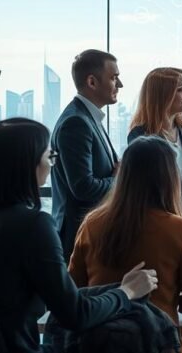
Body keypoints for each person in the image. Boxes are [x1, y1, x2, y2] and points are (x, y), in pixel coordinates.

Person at [0, 118, 157, 353]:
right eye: (49, 157)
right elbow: (75, 316)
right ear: (28, 164)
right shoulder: (33, 225)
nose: (52, 164)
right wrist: (127, 292)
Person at [69, 136, 182, 353]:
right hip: (159, 345)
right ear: (170, 178)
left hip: (99, 345)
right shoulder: (181, 229)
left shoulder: (92, 224)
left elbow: (75, 293)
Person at [128, 67, 182, 254]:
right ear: (162, 95)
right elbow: (144, 189)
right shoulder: (140, 136)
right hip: (161, 231)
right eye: (181, 89)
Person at [52, 49, 123, 259]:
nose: (119, 85)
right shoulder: (76, 123)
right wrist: (119, 178)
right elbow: (84, 188)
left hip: (89, 233)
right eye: (114, 77)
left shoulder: (88, 118)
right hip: (77, 238)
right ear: (92, 82)